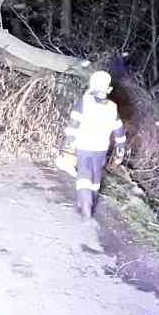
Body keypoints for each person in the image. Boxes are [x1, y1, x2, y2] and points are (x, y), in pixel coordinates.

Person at [59, 70, 126, 219]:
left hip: (83, 145)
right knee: (96, 176)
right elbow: (119, 131)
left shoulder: (85, 101)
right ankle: (91, 201)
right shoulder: (112, 107)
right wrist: (120, 151)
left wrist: (67, 144)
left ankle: (85, 204)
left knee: (84, 172)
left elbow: (73, 124)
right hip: (101, 148)